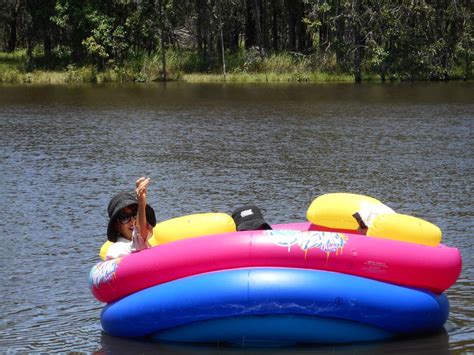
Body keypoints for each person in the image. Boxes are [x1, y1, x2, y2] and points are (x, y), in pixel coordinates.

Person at [105, 177, 157, 259]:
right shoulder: (115, 250)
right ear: (117, 226)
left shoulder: (146, 241)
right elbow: (138, 241)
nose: (133, 220)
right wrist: (141, 203)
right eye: (125, 217)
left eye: (135, 214)